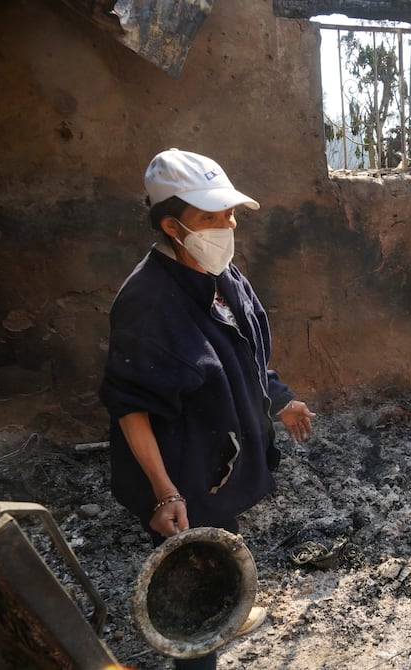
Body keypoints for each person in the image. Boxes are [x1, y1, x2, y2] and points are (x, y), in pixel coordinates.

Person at [99, 148, 315, 670]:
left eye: (230, 214)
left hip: (218, 456)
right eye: (210, 217)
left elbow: (244, 352)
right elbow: (133, 408)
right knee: (195, 580)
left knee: (224, 535)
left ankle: (225, 608)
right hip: (181, 468)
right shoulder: (148, 300)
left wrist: (280, 401)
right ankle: (202, 643)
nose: (227, 225)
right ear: (173, 225)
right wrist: (164, 490)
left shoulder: (220, 273)